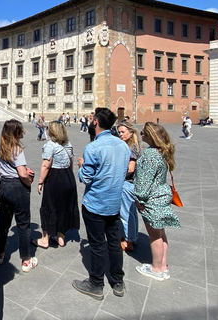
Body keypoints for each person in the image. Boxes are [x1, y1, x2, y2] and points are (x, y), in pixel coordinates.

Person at [72, 108, 130, 300]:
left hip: (95, 204)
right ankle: (118, 281)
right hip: (114, 203)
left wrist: (81, 167)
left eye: (92, 119)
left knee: (97, 244)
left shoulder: (92, 148)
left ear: (96, 122)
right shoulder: (123, 146)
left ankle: (96, 283)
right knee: (114, 243)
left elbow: (86, 178)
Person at [135, 122, 181, 281]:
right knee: (161, 233)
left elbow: (143, 182)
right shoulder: (162, 152)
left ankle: (156, 269)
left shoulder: (150, 155)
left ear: (150, 135)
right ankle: (163, 266)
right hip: (162, 195)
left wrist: (139, 199)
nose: (141, 135)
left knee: (154, 235)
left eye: (143, 132)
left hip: (152, 199)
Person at [0, 119, 38, 272]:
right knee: (23, 224)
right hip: (17, 188)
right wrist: (28, 181)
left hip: (4, 186)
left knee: (4, 223)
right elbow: (21, 173)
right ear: (15, 132)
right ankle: (26, 260)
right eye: (21, 130)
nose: (23, 132)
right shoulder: (17, 149)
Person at [32, 121, 79, 248]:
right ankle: (61, 237)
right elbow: (71, 162)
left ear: (52, 131)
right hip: (68, 177)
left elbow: (46, 165)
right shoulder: (68, 144)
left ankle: (45, 239)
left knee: (49, 206)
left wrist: (40, 181)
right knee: (64, 206)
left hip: (55, 178)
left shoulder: (50, 145)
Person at [117, 123, 142, 252]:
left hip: (127, 183)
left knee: (125, 213)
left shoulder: (131, 147)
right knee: (131, 213)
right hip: (132, 184)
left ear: (131, 132)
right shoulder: (134, 145)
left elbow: (131, 168)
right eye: (119, 132)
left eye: (123, 132)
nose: (120, 134)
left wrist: (117, 176)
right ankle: (133, 237)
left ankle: (128, 240)